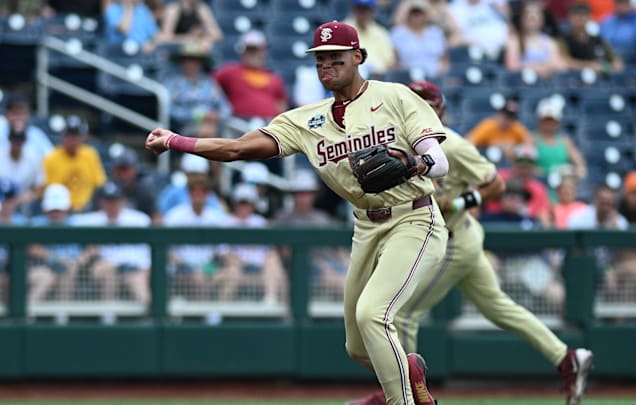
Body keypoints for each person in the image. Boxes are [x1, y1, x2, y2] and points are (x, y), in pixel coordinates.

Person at [147, 20, 450, 405]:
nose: (326, 66)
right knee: (358, 346)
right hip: (366, 228)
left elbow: (440, 161)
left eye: (335, 58)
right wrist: (176, 140)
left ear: (358, 57)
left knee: (373, 315)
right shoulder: (307, 120)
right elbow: (237, 149)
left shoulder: (395, 97)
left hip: (414, 217)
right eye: (320, 60)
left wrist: (413, 163)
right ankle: (409, 371)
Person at [348, 80, 594, 405]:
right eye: (413, 101)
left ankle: (399, 395)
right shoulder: (395, 142)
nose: (418, 107)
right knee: (499, 307)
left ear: (440, 109)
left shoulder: (451, 145)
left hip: (451, 240)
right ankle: (567, 358)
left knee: (402, 313)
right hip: (456, 237)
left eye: (427, 102)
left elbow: (494, 184)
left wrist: (462, 202)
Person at [272, 170, 349, 302]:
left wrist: (350, 265)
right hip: (302, 270)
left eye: (307, 193)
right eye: (299, 193)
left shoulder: (322, 218)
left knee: (353, 275)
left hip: (330, 265)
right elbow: (284, 253)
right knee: (337, 280)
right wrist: (320, 265)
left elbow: (337, 249)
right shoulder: (283, 218)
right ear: (293, 195)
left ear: (313, 195)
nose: (302, 198)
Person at [70, 182, 151, 305]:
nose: (112, 205)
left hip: (134, 268)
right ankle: (108, 319)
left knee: (137, 281)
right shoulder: (90, 221)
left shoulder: (139, 220)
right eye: (108, 201)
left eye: (115, 200)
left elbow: (147, 253)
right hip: (107, 266)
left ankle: (149, 319)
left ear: (122, 201)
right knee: (109, 274)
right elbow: (65, 222)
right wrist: (90, 248)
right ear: (101, 202)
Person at [164, 175, 237, 301]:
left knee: (233, 273)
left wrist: (233, 264)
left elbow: (222, 250)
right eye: (194, 191)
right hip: (181, 269)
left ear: (207, 194)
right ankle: (204, 316)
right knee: (198, 276)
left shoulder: (216, 217)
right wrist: (185, 266)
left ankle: (217, 314)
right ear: (189, 193)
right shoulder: (175, 216)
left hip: (208, 267)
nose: (198, 195)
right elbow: (168, 250)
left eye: (202, 191)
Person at [220, 183, 287, 305]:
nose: (244, 207)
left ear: (253, 205)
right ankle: (218, 315)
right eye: (241, 203)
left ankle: (273, 304)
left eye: (247, 203)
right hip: (237, 265)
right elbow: (223, 251)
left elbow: (270, 251)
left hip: (261, 266)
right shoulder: (226, 222)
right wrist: (236, 260)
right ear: (235, 204)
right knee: (232, 272)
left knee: (276, 266)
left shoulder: (260, 222)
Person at [27, 184, 87, 303]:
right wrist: (52, 258)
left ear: (67, 209)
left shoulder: (77, 225)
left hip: (70, 265)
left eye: (59, 210)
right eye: (52, 210)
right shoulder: (35, 224)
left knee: (69, 268)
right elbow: (29, 246)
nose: (56, 214)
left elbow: (92, 247)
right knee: (45, 277)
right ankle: (25, 316)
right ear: (45, 209)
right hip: (40, 266)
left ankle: (61, 314)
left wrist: (81, 258)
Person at [212, 30, 289, 121]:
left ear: (264, 52)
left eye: (258, 50)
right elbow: (210, 86)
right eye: (250, 50)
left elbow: (281, 104)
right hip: (239, 124)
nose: (254, 54)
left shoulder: (274, 78)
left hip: (268, 125)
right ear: (242, 52)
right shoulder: (229, 72)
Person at [163, 41, 232, 138]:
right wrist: (199, 116)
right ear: (182, 62)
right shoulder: (172, 84)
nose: (192, 63)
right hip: (183, 128)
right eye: (188, 59)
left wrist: (216, 116)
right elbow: (170, 110)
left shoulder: (209, 84)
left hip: (213, 125)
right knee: (207, 131)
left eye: (196, 60)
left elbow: (226, 108)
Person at [42, 115, 107, 213]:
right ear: (62, 136)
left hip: (88, 210)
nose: (73, 139)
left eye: (76, 135)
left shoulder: (90, 155)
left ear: (83, 137)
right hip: (60, 211)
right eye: (69, 135)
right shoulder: (51, 158)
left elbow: (100, 185)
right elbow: (48, 190)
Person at [505, 0, 567, 78]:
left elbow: (560, 65)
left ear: (542, 19)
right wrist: (538, 68)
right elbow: (512, 66)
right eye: (528, 14)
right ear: (522, 19)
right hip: (520, 86)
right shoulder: (514, 41)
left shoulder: (550, 42)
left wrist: (544, 67)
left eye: (536, 14)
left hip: (547, 85)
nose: (532, 16)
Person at [390, 0, 448, 80]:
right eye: (414, 13)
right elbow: (395, 61)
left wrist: (442, 72)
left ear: (426, 15)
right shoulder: (398, 33)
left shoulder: (436, 33)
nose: (417, 16)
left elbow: (444, 59)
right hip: (409, 77)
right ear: (408, 15)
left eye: (420, 13)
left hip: (435, 77)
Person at [559, 2, 623, 74]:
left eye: (583, 15)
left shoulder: (597, 40)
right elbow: (565, 61)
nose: (580, 19)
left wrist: (604, 67)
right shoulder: (564, 40)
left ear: (589, 17)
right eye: (577, 15)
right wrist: (590, 65)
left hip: (600, 82)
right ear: (569, 18)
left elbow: (617, 63)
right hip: (571, 80)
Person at [533, 97, 587, 179]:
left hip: (562, 186)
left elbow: (580, 165)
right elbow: (526, 167)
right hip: (540, 185)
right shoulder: (532, 140)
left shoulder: (565, 141)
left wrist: (570, 172)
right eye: (546, 120)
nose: (549, 124)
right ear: (539, 120)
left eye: (552, 120)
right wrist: (547, 173)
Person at [465, 98, 532, 158]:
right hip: (489, 163)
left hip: (511, 168)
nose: (507, 119)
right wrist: (486, 149)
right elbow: (469, 142)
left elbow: (530, 145)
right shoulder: (488, 126)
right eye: (506, 115)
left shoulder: (516, 127)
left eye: (511, 116)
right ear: (499, 113)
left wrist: (515, 149)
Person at [345, 0, 397, 76]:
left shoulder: (381, 32)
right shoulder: (344, 30)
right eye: (360, 8)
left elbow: (391, 62)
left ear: (373, 11)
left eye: (366, 9)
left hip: (380, 78)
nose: (363, 12)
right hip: (353, 77)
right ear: (354, 9)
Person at [599, 0, 636, 65]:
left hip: (633, 58)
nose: (622, 6)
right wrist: (614, 59)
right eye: (620, 2)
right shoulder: (607, 21)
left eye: (626, 3)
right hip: (612, 59)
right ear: (615, 4)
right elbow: (604, 43)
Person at [0, 93, 53, 159]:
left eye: (21, 112)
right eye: (14, 113)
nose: (17, 117)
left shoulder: (36, 134)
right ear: (6, 114)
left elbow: (50, 160)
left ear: (28, 114)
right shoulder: (1, 133)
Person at [393, 0, 466, 48]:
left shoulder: (442, 6)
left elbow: (455, 29)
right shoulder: (412, 3)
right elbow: (398, 22)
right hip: (412, 42)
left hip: (436, 42)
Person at [155, 0, 222, 51]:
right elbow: (164, 38)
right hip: (176, 53)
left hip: (194, 53)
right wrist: (191, 38)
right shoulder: (174, 9)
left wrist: (204, 39)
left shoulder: (201, 8)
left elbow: (218, 35)